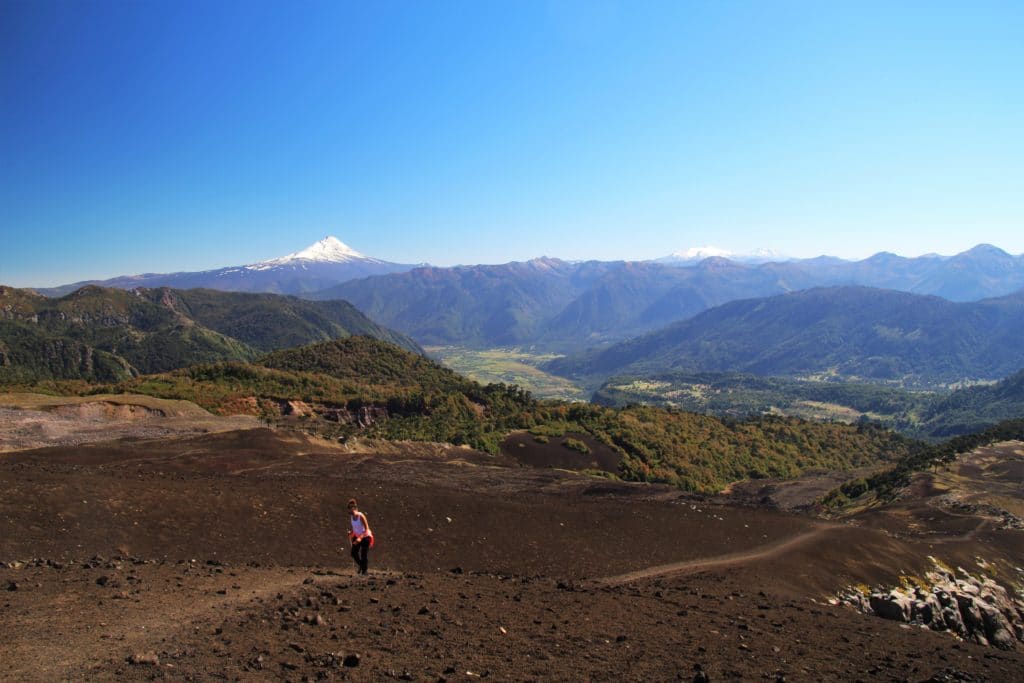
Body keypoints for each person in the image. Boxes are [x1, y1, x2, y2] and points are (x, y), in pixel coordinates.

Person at [347, 498, 374, 575]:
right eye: (348, 508)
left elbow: (367, 529)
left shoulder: (361, 516)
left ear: (353, 508)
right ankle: (362, 566)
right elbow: (355, 527)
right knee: (353, 553)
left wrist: (360, 538)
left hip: (365, 537)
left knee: (363, 554)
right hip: (358, 536)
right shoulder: (352, 517)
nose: (349, 510)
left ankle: (365, 572)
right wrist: (351, 532)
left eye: (350, 508)